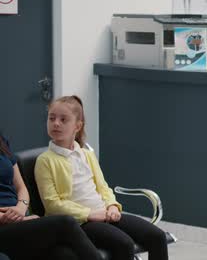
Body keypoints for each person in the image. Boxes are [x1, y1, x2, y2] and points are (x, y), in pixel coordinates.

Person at [34, 95, 169, 260]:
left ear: (77, 126)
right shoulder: (45, 161)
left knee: (158, 237)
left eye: (63, 119)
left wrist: (112, 206)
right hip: (80, 223)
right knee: (124, 244)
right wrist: (89, 214)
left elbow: (103, 187)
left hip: (105, 213)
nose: (56, 123)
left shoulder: (86, 155)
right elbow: (53, 204)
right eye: (52, 118)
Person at [0, 134, 100, 260]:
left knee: (65, 255)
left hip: (18, 219)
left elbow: (21, 187)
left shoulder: (2, 141)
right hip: (5, 226)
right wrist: (16, 218)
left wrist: (21, 207)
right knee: (65, 222)